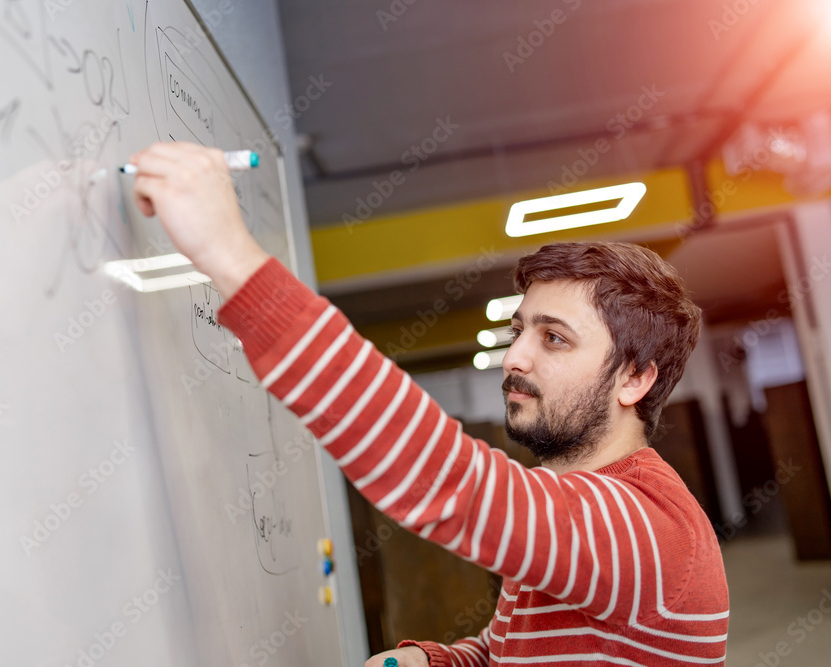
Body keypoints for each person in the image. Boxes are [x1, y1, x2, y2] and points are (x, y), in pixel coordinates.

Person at [128, 142, 729, 666]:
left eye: (553, 338)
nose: (514, 357)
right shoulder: (569, 515)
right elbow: (511, 650)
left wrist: (229, 254)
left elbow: (448, 480)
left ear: (634, 379)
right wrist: (437, 659)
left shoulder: (649, 527)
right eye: (518, 331)